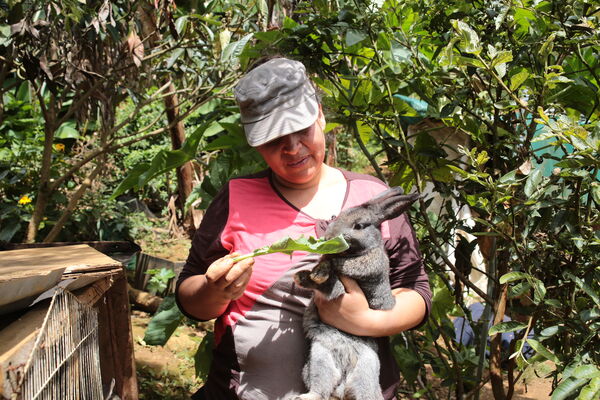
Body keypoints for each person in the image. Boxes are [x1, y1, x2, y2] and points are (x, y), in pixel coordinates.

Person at [175, 57, 432, 400]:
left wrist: (367, 322)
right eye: (273, 139)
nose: (293, 148)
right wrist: (216, 289)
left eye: (302, 130)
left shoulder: (370, 197)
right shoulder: (236, 196)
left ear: (320, 115)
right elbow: (190, 295)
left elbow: (415, 288)